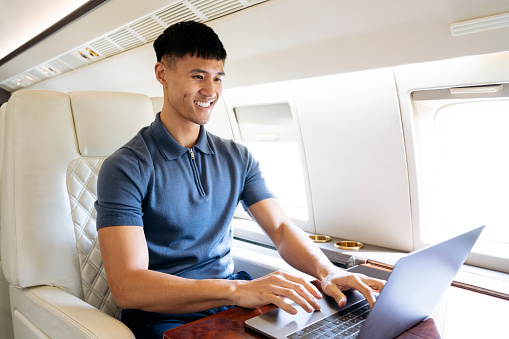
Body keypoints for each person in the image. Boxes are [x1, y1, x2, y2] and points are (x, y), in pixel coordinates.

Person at [95, 20, 385, 339]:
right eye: (198, 76)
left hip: (232, 305)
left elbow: (281, 229)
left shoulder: (237, 157)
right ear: (162, 74)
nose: (211, 91)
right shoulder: (125, 167)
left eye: (218, 77)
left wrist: (327, 271)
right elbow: (129, 286)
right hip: (166, 318)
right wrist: (236, 290)